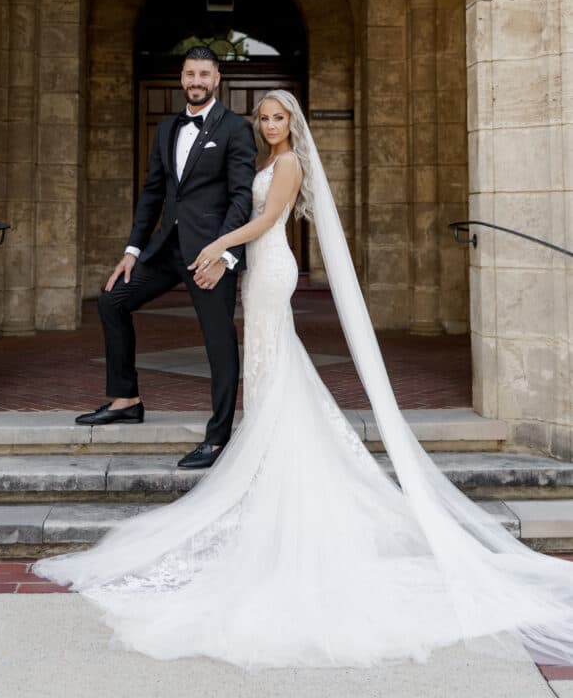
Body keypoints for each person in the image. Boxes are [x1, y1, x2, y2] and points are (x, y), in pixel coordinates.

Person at [36, 91, 573, 669]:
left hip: (271, 272)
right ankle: (271, 459)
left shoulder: (288, 165)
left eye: (277, 118)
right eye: (263, 119)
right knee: (273, 367)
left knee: (273, 361)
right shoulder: (266, 161)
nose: (269, 126)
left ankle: (275, 468)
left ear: (293, 123)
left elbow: (267, 220)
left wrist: (217, 244)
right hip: (258, 269)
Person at [75, 46, 256, 470]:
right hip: (165, 248)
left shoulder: (236, 129)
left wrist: (224, 254)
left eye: (204, 74)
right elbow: (153, 191)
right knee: (113, 299)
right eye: (190, 73)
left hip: (209, 254)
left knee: (219, 341)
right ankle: (126, 399)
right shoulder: (166, 129)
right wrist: (132, 250)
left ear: (217, 79)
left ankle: (217, 437)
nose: (197, 81)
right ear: (182, 78)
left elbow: (241, 196)